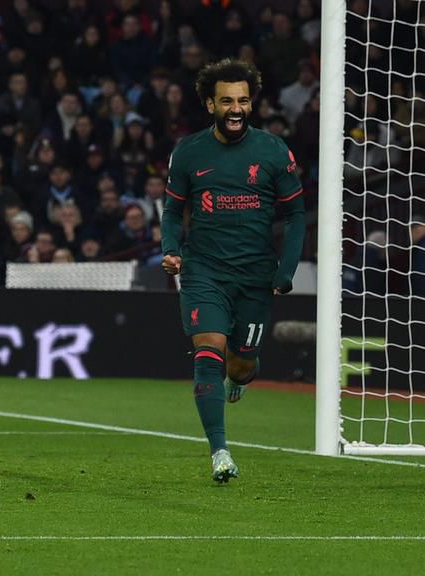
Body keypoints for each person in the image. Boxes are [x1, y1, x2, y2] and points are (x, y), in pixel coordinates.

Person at [161, 59, 305, 483]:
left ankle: (239, 378)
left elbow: (296, 215)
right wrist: (171, 249)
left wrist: (286, 269)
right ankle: (220, 452)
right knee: (209, 352)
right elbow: (173, 211)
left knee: (240, 364)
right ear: (211, 105)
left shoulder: (273, 151)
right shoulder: (189, 151)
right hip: (204, 270)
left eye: (242, 100)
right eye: (227, 101)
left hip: (255, 276)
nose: (236, 108)